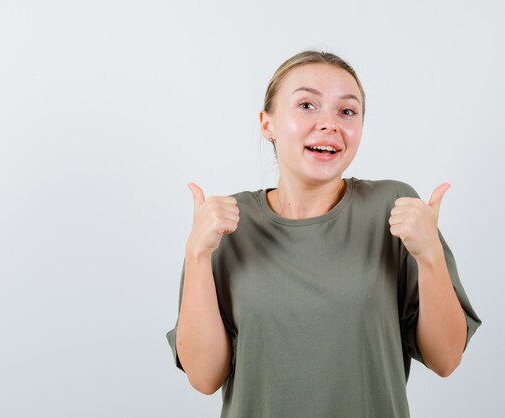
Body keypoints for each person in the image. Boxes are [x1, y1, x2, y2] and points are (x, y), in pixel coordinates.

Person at [165, 50, 482, 418]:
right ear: (267, 124)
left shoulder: (395, 208)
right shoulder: (225, 224)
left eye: (347, 111)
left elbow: (446, 359)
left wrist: (430, 259)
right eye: (306, 105)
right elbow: (204, 377)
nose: (329, 123)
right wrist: (197, 255)